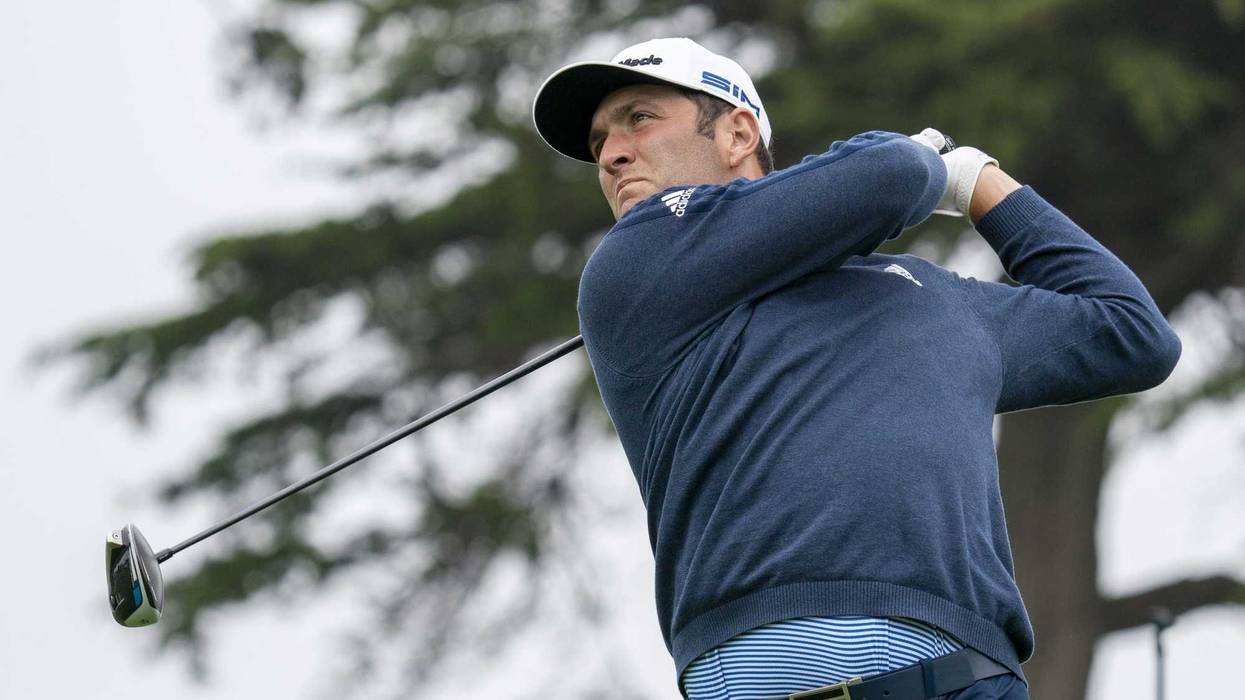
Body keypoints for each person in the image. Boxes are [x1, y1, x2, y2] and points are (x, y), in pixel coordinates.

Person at [531, 37, 1181, 700]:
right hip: (767, 658)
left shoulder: (935, 295)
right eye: (598, 142)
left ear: (736, 132)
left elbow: (1130, 333)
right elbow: (896, 172)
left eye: (638, 119)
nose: (610, 154)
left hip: (973, 672)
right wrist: (930, 166)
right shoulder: (637, 261)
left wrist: (980, 182)